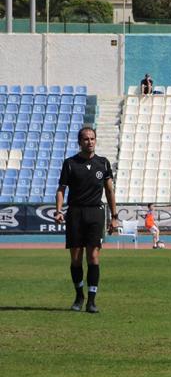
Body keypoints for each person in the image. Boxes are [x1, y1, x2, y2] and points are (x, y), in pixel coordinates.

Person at [54, 127, 118, 313]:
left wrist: (114, 217)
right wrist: (58, 211)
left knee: (93, 256)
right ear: (79, 142)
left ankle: (91, 300)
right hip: (75, 213)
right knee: (76, 258)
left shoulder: (103, 163)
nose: (90, 142)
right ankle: (78, 296)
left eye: (92, 138)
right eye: (86, 139)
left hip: (95, 213)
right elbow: (61, 189)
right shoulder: (70, 163)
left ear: (95, 140)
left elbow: (109, 191)